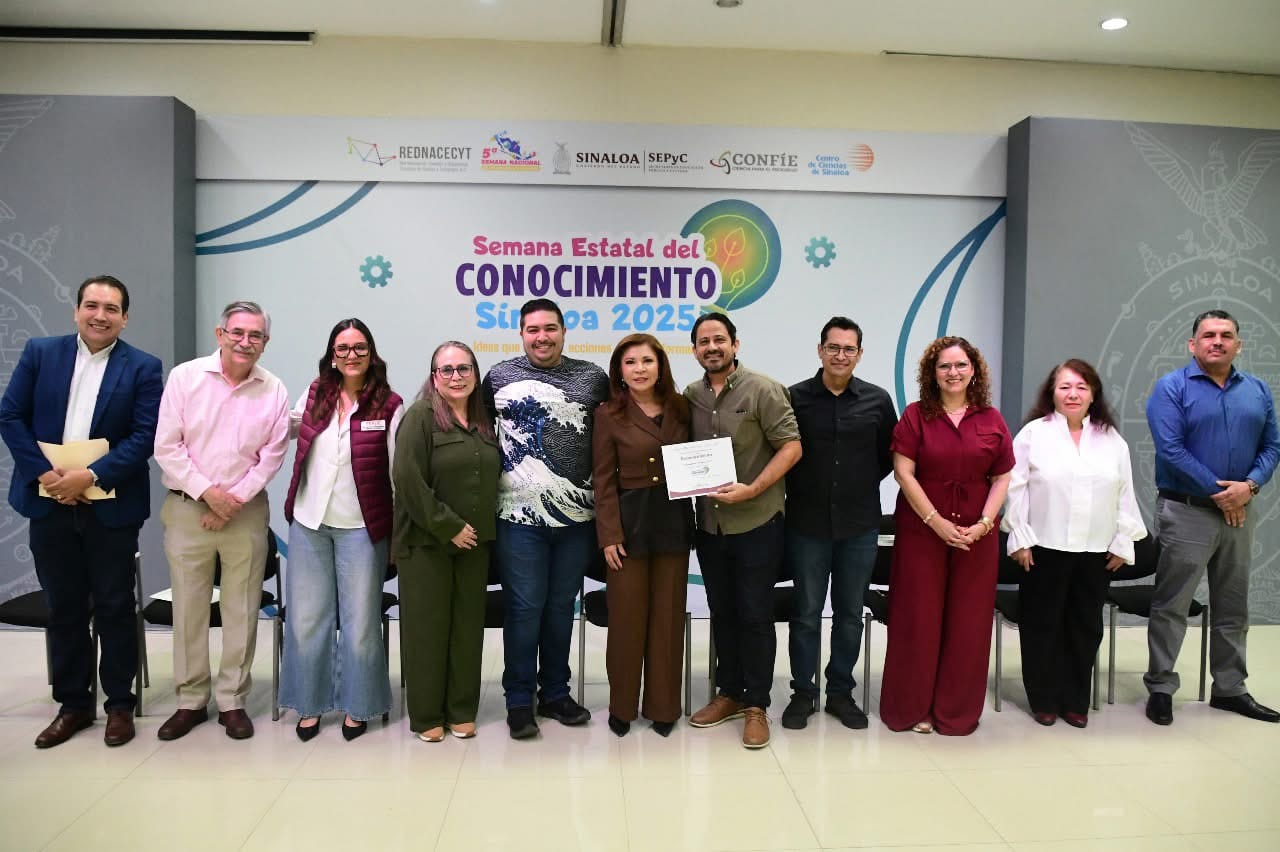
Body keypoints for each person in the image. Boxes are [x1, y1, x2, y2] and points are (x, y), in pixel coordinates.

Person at [0, 275, 163, 748]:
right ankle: (73, 705)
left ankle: (119, 705)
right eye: (91, 305)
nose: (100, 315)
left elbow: (144, 435)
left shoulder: (143, 367)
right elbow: (10, 415)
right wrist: (45, 475)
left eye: (111, 309)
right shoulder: (41, 353)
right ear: (77, 311)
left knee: (115, 605)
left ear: (124, 318)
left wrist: (89, 476)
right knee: (64, 607)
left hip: (110, 506)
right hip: (48, 500)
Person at [153, 300, 290, 741]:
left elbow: (271, 456)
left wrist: (231, 502)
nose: (246, 342)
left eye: (256, 336)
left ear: (265, 342)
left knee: (241, 608)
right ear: (221, 334)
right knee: (189, 608)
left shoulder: (273, 389)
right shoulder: (185, 378)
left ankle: (232, 699)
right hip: (188, 509)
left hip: (244, 514)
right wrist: (209, 495)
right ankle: (191, 699)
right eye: (238, 333)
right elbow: (167, 447)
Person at [481, 298, 610, 739]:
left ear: (563, 331)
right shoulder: (498, 377)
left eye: (550, 328)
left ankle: (555, 693)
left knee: (559, 609)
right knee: (524, 608)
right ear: (521, 333)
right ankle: (519, 701)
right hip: (517, 521)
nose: (542, 337)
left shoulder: (592, 378)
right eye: (533, 329)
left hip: (576, 521)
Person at [1144, 309, 1279, 725]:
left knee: (1233, 605)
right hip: (1187, 511)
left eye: (1226, 335)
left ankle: (1230, 689)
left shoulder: (1257, 390)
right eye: (1208, 335)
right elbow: (1171, 449)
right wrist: (1223, 494)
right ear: (1193, 344)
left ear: (1238, 344)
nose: (1217, 341)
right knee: (1172, 605)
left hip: (1240, 512)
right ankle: (1161, 687)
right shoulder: (1171, 388)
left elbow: (1272, 446)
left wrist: (1250, 486)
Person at [880, 336, 1013, 736]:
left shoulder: (991, 419)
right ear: (932, 373)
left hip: (976, 536)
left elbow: (1002, 476)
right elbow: (903, 472)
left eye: (960, 365)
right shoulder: (915, 415)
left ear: (974, 370)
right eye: (944, 366)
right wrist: (935, 521)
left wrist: (985, 523)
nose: (953, 372)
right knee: (917, 620)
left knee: (968, 624)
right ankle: (913, 708)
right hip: (922, 531)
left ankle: (955, 712)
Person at [1003, 358, 1147, 728]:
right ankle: (1044, 699)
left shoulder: (1111, 440)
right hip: (1043, 549)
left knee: (1085, 628)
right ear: (1051, 392)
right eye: (1065, 386)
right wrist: (1020, 537)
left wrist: (1123, 541)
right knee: (1042, 626)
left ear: (1093, 394)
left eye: (1081, 387)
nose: (1073, 394)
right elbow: (1015, 489)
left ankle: (1075, 700)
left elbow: (1125, 492)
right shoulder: (1033, 434)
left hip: (1095, 552)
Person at [279, 319, 403, 741]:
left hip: (362, 528)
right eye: (343, 348)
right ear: (332, 355)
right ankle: (310, 704)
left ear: (372, 353)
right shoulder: (316, 393)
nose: (352, 355)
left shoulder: (389, 404)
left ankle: (359, 705)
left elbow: (397, 476)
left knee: (361, 623)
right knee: (306, 620)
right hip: (310, 522)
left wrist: (396, 537)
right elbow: (285, 429)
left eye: (360, 347)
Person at [685, 312, 802, 749]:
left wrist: (753, 488)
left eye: (719, 339)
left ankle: (756, 704)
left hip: (757, 522)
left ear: (735, 344)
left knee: (755, 614)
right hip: (710, 526)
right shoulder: (690, 396)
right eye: (703, 342)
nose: (712, 347)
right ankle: (730, 693)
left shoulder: (763, 389)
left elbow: (792, 447)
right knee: (723, 611)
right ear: (694, 350)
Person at [781, 316, 896, 731]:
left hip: (859, 525)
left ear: (860, 354)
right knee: (806, 614)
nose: (840, 355)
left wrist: (855, 485)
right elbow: (782, 451)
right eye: (833, 347)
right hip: (806, 525)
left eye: (849, 349)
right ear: (820, 350)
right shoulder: (794, 398)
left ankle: (840, 693)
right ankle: (803, 693)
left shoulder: (877, 401)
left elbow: (888, 457)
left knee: (849, 614)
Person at [395, 341, 500, 742]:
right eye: (447, 370)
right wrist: (448, 526)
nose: (457, 376)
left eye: (464, 368)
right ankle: (427, 716)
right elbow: (407, 480)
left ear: (475, 373)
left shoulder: (484, 420)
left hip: (475, 545)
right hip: (427, 543)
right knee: (427, 630)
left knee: (467, 629)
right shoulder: (420, 417)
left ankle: (461, 709)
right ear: (434, 377)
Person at [591, 333, 694, 738]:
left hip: (672, 521)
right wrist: (608, 535)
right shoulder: (608, 413)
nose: (639, 369)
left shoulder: (681, 407)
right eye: (630, 362)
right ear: (619, 370)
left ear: (660, 365)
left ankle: (664, 708)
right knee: (627, 620)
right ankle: (622, 707)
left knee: (667, 619)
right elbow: (603, 480)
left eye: (647, 361)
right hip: (628, 525)